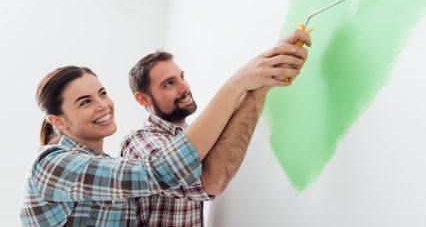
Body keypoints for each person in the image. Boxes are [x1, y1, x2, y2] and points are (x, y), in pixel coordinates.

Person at [20, 33, 306, 226]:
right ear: (58, 121)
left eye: (102, 92)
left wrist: (259, 83)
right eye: (85, 102)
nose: (103, 105)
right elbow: (161, 172)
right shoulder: (51, 165)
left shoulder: (108, 166)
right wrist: (239, 83)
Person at [120, 28, 311, 226]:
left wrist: (270, 71)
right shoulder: (138, 144)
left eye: (182, 77)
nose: (184, 87)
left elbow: (227, 134)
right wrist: (249, 83)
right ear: (143, 99)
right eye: (169, 83)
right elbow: (211, 180)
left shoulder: (191, 135)